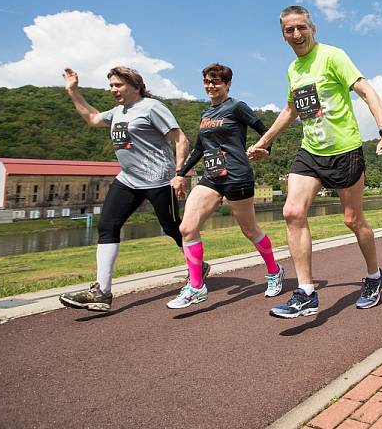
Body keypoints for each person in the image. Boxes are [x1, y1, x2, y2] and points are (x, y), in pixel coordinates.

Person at [247, 5, 382, 318]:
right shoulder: (293, 70)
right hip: (311, 151)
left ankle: (375, 275)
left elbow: (366, 90)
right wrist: (264, 141)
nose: (296, 34)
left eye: (301, 27)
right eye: (289, 30)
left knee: (352, 220)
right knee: (291, 211)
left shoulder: (332, 56)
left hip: (345, 150)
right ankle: (305, 292)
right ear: (283, 36)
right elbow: (291, 111)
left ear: (313, 28)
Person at [58, 67, 189, 311]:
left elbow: (181, 139)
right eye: (110, 86)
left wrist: (180, 174)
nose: (113, 90)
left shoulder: (152, 107)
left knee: (172, 227)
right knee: (107, 226)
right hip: (128, 180)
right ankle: (102, 292)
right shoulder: (118, 112)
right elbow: (92, 118)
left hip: (159, 180)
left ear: (135, 86)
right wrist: (73, 91)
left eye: (118, 85)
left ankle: (197, 265)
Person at [165, 63, 284, 309]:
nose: (210, 86)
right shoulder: (206, 115)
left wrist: (265, 149)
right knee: (187, 228)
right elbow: (198, 149)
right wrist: (180, 174)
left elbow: (264, 130)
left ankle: (274, 271)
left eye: (216, 81)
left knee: (250, 230)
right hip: (211, 177)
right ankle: (196, 287)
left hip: (237, 175)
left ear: (228, 84)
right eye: (207, 81)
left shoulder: (237, 107)